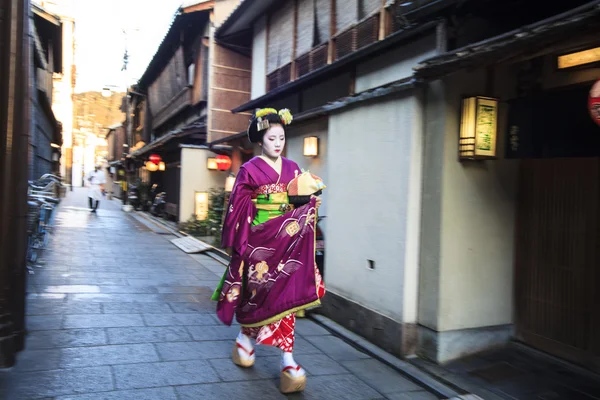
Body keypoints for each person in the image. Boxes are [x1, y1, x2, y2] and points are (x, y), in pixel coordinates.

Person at [212, 108, 325, 394]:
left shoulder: (293, 168)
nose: (278, 143)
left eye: (282, 138)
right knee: (257, 296)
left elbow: (301, 199)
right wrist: (242, 241)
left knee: (284, 298)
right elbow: (237, 207)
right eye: (272, 138)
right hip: (258, 243)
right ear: (261, 140)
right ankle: (245, 339)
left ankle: (287, 361)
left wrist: (309, 205)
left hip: (286, 243)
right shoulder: (250, 169)